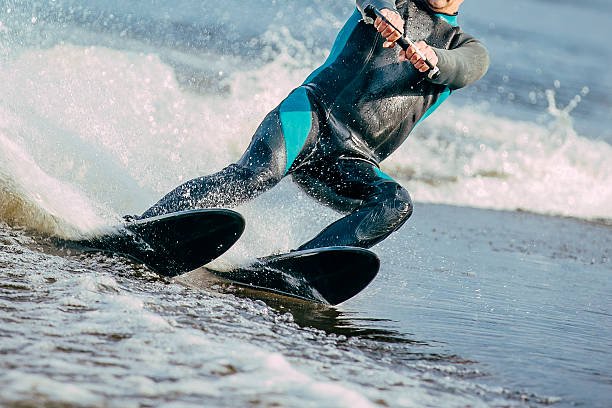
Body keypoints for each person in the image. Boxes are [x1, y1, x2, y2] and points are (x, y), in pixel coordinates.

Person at [139, 0, 489, 251]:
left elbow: (464, 66)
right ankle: (144, 225)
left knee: (396, 203)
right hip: (309, 116)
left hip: (352, 162)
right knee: (254, 175)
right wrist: (383, 12)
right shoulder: (394, 2)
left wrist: (432, 57)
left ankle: (296, 266)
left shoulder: (466, 48)